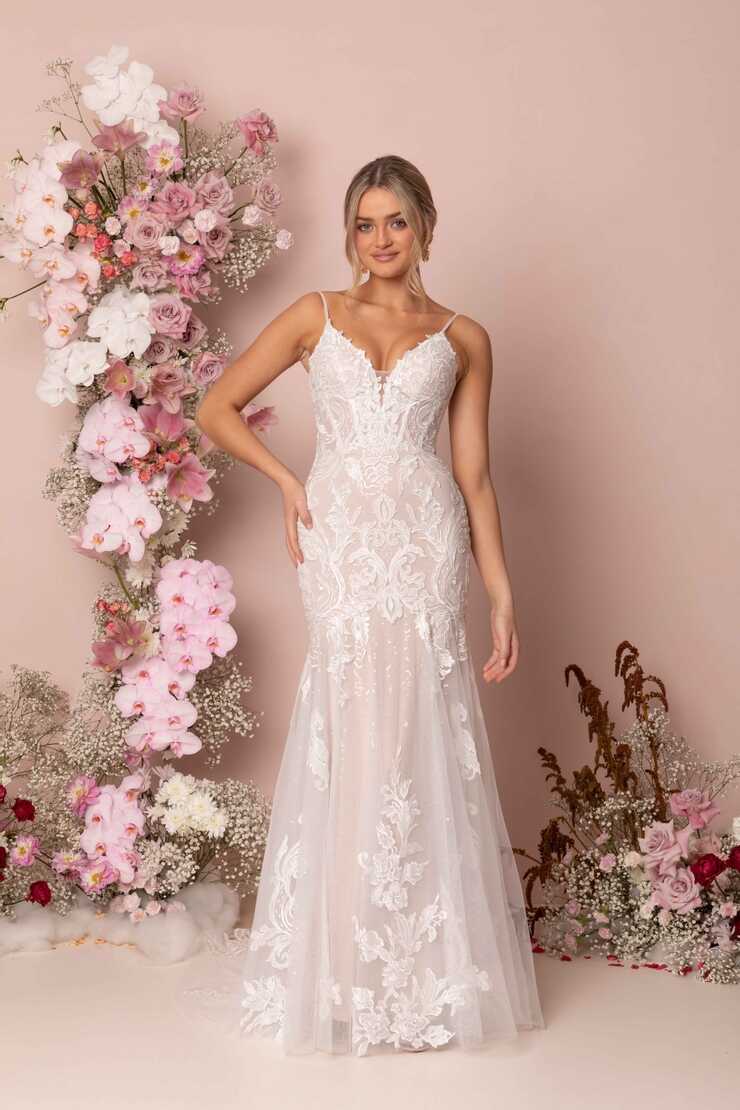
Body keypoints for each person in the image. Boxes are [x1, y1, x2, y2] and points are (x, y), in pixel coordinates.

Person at [191, 154, 545, 1056]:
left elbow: (474, 478)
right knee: (351, 724)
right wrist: (285, 480)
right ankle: (341, 961)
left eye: (396, 221)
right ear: (350, 233)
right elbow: (216, 407)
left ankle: (420, 971)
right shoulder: (316, 315)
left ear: (426, 226)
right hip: (342, 539)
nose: (380, 239)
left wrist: (501, 592)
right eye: (364, 223)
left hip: (425, 543)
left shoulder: (464, 337)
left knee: (415, 725)